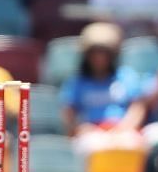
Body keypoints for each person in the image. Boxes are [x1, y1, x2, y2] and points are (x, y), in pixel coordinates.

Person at [60, 22, 149, 154]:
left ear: (112, 55)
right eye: (94, 53)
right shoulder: (77, 82)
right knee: (89, 145)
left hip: (122, 131)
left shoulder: (126, 77)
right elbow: (68, 113)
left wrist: (125, 128)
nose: (99, 58)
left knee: (132, 143)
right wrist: (79, 128)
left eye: (104, 53)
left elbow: (138, 107)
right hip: (91, 133)